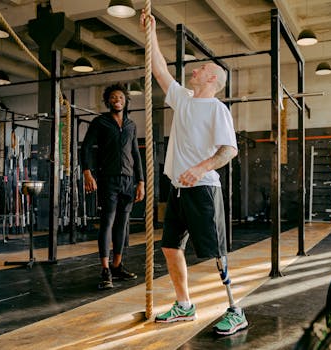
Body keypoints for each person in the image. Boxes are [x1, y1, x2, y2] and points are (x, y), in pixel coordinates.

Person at [141, 11, 248, 336]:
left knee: (217, 254)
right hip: (178, 190)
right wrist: (151, 33)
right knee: (171, 248)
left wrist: (199, 168)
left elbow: (229, 150)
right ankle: (184, 305)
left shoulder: (217, 109)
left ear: (212, 80)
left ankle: (236, 310)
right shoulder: (184, 100)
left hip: (203, 189)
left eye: (202, 69)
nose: (195, 70)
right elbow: (159, 70)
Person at [80, 83, 145, 290]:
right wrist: (87, 172)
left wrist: (141, 181)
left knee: (122, 224)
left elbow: (136, 154)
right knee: (107, 222)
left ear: (126, 101)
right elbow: (86, 147)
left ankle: (117, 266)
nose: (117, 100)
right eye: (113, 97)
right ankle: (105, 269)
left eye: (121, 97)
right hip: (107, 179)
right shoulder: (100, 122)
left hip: (128, 181)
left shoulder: (131, 125)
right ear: (108, 101)